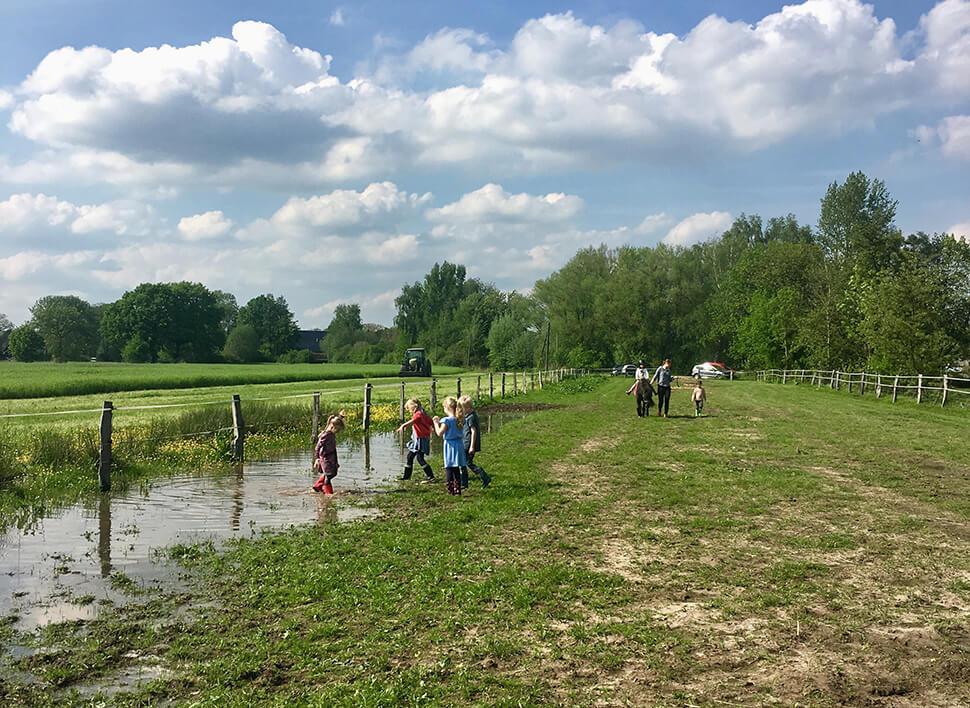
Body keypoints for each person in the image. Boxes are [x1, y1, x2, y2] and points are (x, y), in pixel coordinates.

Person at [433, 396, 467, 496]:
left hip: (450, 445)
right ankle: (458, 489)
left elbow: (439, 433)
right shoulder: (459, 419)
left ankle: (450, 489)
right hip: (459, 444)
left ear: (447, 408)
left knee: (449, 467)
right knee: (456, 467)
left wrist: (435, 423)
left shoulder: (446, 420)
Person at [397, 399, 436, 483]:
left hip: (420, 439)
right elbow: (430, 421)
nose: (409, 412)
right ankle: (406, 476)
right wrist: (432, 427)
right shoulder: (424, 414)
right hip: (417, 439)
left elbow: (414, 420)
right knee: (410, 457)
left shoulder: (419, 414)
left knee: (420, 458)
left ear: (414, 407)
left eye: (409, 409)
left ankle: (431, 476)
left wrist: (403, 425)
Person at [458, 394, 491, 488]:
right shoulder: (468, 416)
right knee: (465, 463)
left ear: (467, 407)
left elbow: (473, 431)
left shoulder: (471, 417)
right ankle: (464, 482)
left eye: (462, 408)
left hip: (468, 444)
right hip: (466, 442)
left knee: (466, 463)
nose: (461, 410)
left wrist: (472, 446)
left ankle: (483, 476)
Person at [312, 412, 345, 494]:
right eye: (337, 430)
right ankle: (328, 493)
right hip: (325, 458)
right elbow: (317, 447)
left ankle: (317, 486)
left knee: (333, 472)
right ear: (332, 426)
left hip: (332, 457)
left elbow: (333, 449)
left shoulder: (331, 434)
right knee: (329, 475)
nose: (337, 432)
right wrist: (317, 459)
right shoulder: (325, 435)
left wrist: (341, 416)